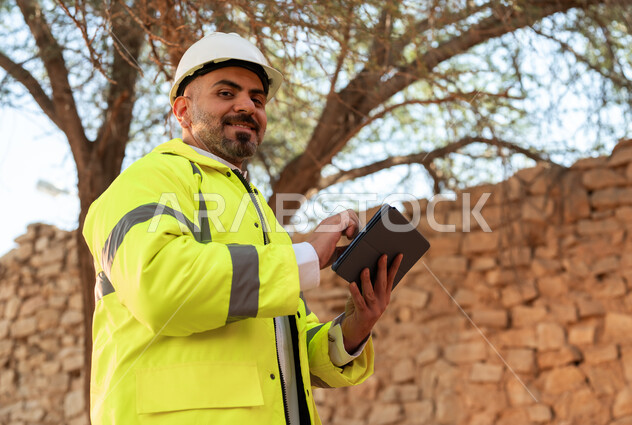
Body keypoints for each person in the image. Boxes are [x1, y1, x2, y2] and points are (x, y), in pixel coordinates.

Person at [82, 32, 402, 424]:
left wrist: (354, 330)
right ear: (183, 111)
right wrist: (306, 255)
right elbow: (159, 289)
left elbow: (287, 356)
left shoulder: (259, 216)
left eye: (257, 98)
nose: (246, 106)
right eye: (225, 93)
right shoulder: (146, 181)